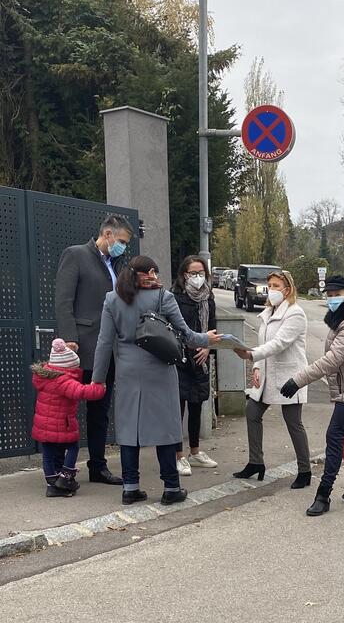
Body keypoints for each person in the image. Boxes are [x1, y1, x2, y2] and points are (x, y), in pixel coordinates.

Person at [91, 255, 222, 505]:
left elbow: (104, 342)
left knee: (130, 430)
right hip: (160, 368)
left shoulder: (112, 299)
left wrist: (98, 379)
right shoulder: (164, 297)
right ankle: (171, 488)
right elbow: (186, 335)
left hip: (128, 372)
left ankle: (130, 487)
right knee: (166, 428)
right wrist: (208, 339)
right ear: (150, 272)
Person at [280, 275, 344, 516]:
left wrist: (298, 380)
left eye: (337, 295)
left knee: (334, 436)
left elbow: (333, 359)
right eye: (329, 295)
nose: (332, 299)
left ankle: (323, 495)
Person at [55, 215, 135, 485]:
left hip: (109, 350)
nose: (123, 247)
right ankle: (58, 467)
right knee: (65, 410)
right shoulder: (76, 255)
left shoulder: (116, 264)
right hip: (82, 347)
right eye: (121, 241)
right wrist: (69, 337)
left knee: (100, 411)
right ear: (108, 234)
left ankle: (97, 466)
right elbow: (63, 300)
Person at [233, 270, 311, 489]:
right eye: (270, 285)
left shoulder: (295, 314)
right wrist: (257, 366)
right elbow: (263, 340)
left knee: (293, 422)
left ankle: (304, 470)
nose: (271, 289)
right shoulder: (268, 312)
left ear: (288, 290)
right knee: (252, 412)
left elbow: (279, 343)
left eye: (276, 285)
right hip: (267, 374)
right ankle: (255, 462)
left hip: (289, 376)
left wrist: (251, 355)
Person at [32, 339, 106, 498]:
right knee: (73, 447)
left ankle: (52, 485)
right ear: (67, 366)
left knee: (48, 454)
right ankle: (65, 477)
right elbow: (82, 392)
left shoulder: (46, 376)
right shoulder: (63, 381)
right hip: (60, 423)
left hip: (44, 425)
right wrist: (99, 388)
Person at [172, 256, 218, 476]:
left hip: (201, 360)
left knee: (197, 404)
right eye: (193, 273)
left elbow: (213, 329)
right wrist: (195, 342)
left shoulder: (208, 299)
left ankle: (195, 451)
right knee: (178, 407)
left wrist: (207, 347)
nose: (198, 277)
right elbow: (173, 330)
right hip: (180, 359)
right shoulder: (175, 298)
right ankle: (178, 455)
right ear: (184, 275)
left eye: (201, 273)